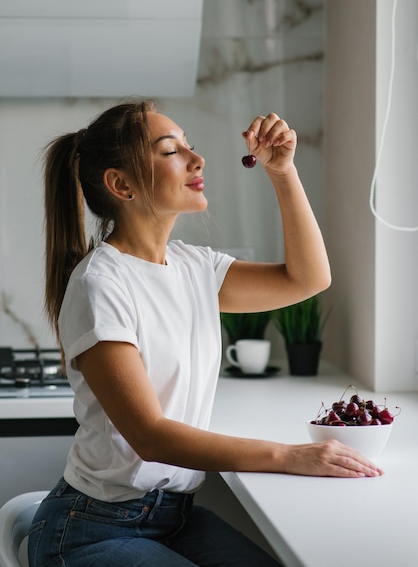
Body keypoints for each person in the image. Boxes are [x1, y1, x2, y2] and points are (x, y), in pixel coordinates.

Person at [28, 100, 383, 567]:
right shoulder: (101, 284)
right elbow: (151, 437)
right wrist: (290, 455)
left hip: (175, 518)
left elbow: (308, 279)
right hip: (91, 528)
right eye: (171, 151)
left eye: (189, 146)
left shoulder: (194, 266)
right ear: (121, 184)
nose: (197, 160)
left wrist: (283, 172)